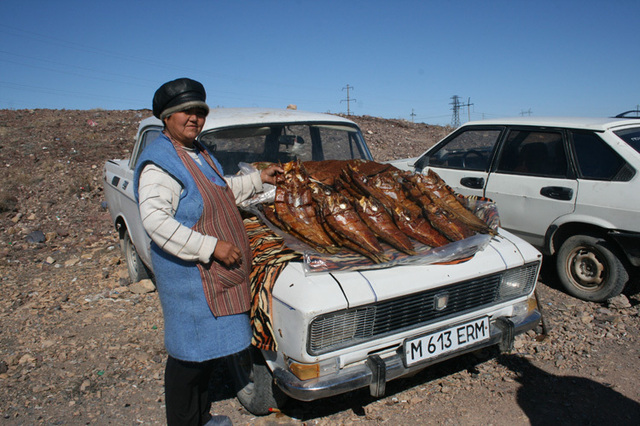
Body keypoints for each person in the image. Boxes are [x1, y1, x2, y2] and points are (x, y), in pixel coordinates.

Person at [133, 78, 282, 426]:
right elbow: (155, 222)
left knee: (203, 358)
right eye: (185, 112)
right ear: (166, 118)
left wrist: (259, 178)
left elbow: (221, 190)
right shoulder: (160, 164)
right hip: (191, 279)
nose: (194, 118)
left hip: (209, 276)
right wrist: (211, 246)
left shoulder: (198, 153)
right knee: (188, 359)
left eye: (200, 112)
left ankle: (200, 418)